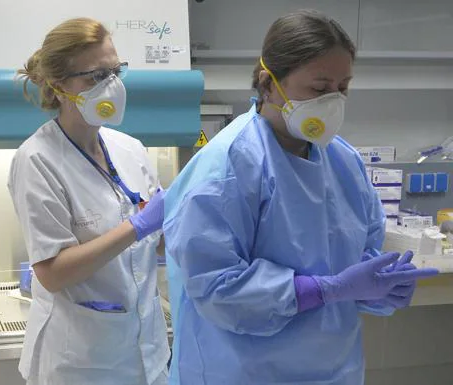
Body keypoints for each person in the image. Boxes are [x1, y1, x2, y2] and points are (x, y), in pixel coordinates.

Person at [163, 10, 439, 385]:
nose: (334, 101)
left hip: (334, 369)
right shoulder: (228, 165)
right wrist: (328, 289)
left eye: (343, 87)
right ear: (268, 83)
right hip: (243, 371)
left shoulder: (343, 161)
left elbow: (358, 257)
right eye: (319, 87)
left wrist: (379, 285)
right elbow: (217, 288)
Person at [8, 17, 170, 385]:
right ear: (58, 85)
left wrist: (176, 225)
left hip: (147, 353)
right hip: (82, 364)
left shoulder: (130, 149)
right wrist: (139, 224)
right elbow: (53, 272)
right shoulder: (37, 160)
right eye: (96, 77)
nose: (111, 86)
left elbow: (154, 238)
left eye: (115, 72)